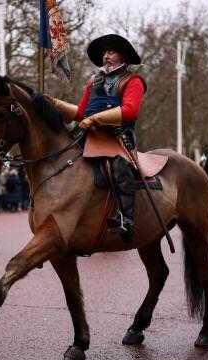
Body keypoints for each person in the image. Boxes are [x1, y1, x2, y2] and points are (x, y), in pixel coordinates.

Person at [50, 34, 146, 239]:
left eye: (111, 51)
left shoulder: (133, 80)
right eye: (104, 52)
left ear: (123, 56)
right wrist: (56, 103)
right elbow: (82, 113)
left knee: (120, 167)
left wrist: (94, 120)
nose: (106, 55)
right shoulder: (94, 81)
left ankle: (126, 220)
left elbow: (130, 111)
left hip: (118, 137)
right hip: (89, 136)